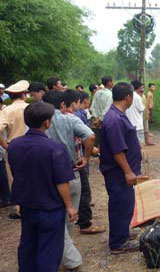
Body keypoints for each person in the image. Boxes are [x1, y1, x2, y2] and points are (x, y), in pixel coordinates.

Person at [9, 102, 77, 272]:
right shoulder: (55, 148)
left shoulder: (15, 145)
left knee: (28, 244)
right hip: (50, 207)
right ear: (47, 123)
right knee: (49, 249)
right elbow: (62, 182)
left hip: (27, 205)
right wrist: (70, 206)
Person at [43, 90, 96, 271]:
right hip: (71, 172)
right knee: (69, 217)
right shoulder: (69, 119)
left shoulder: (41, 123)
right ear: (63, 105)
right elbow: (90, 136)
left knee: (56, 217)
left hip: (49, 177)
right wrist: (86, 158)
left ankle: (67, 257)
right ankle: (69, 257)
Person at [100, 82, 142, 254]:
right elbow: (117, 150)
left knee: (126, 204)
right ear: (128, 98)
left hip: (121, 172)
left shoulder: (117, 115)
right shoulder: (114, 119)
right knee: (120, 205)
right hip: (118, 172)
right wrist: (128, 171)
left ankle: (122, 233)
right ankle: (118, 243)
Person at [73, 91, 105, 235]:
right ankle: (85, 224)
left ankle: (74, 214)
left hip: (63, 160)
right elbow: (89, 137)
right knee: (83, 190)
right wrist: (88, 155)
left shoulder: (52, 117)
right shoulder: (75, 116)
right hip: (76, 158)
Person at [0, 80, 29, 219]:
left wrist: (5, 145)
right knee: (33, 174)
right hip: (32, 145)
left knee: (15, 177)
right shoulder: (31, 107)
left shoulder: (6, 110)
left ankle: (19, 207)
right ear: (24, 94)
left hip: (14, 146)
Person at [90, 76, 114, 146]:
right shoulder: (110, 94)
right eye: (112, 81)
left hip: (96, 121)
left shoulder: (97, 93)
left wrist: (95, 118)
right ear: (109, 83)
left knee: (100, 140)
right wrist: (100, 120)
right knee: (106, 141)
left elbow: (92, 107)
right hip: (104, 121)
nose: (113, 83)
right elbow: (107, 109)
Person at [0, 98, 9, 209]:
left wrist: (6, 147)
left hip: (3, 150)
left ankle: (6, 198)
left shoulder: (5, 114)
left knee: (3, 175)